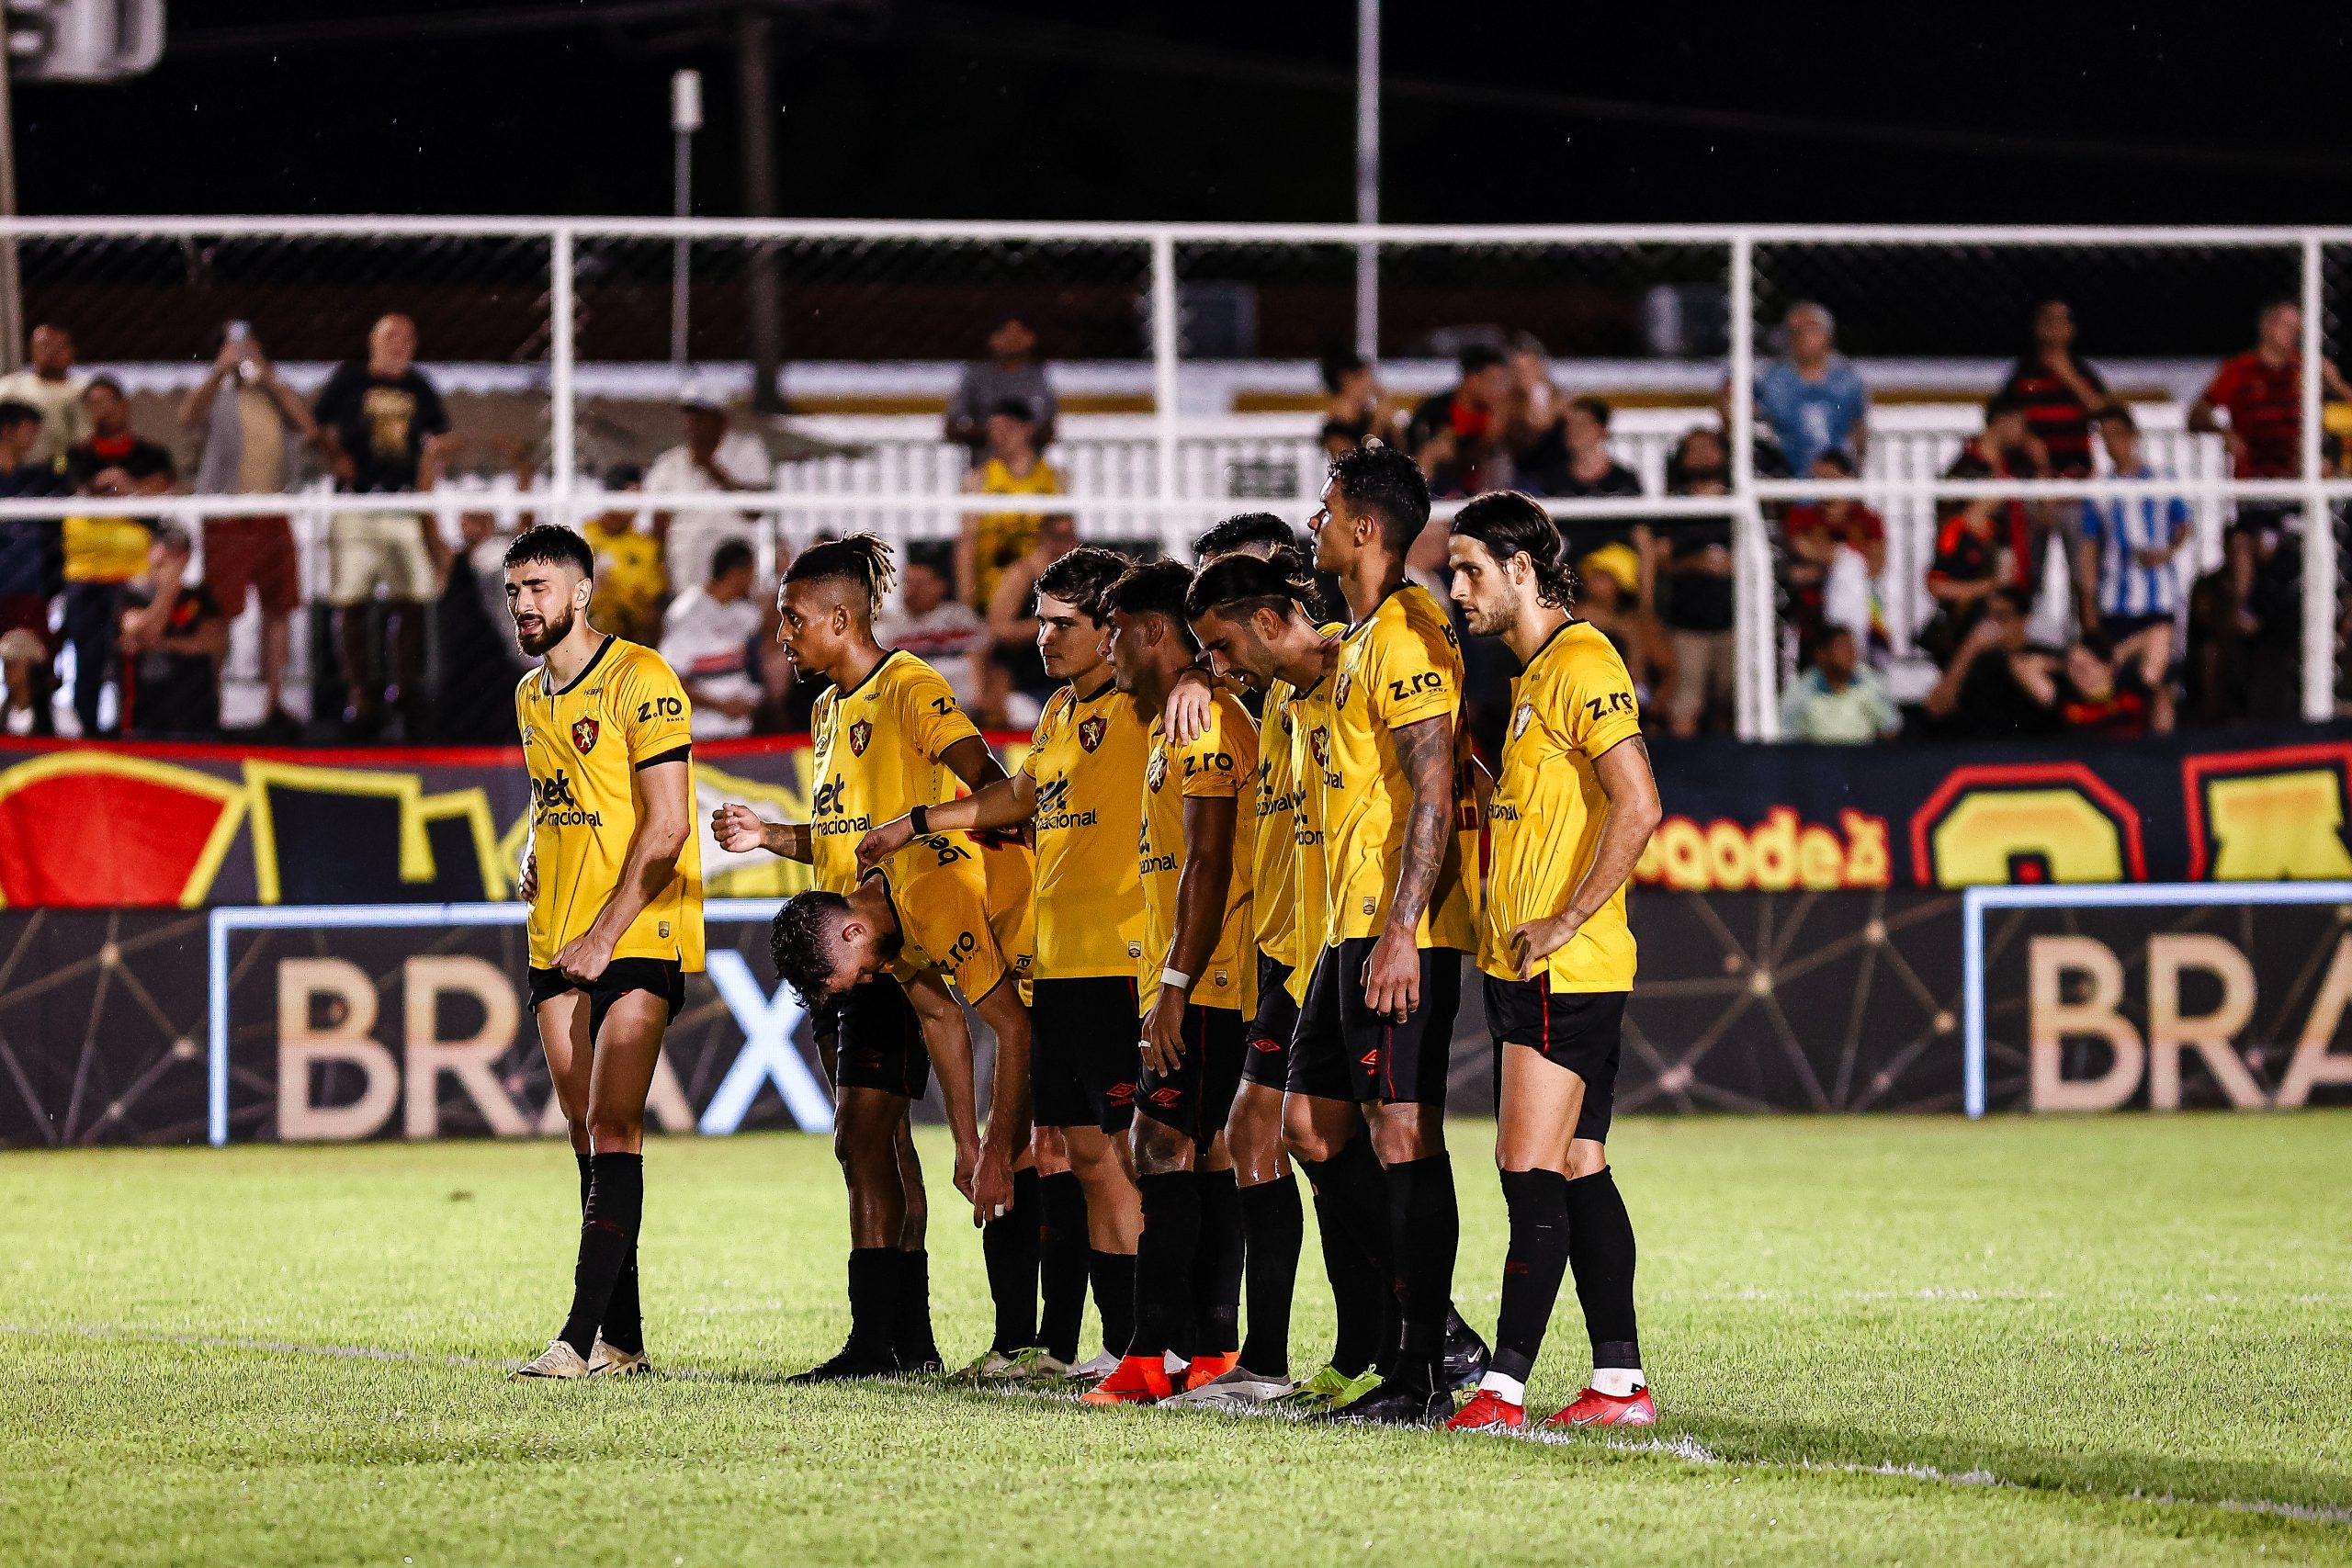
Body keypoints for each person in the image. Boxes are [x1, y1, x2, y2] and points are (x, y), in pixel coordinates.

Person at [1183, 443, 1486, 1427]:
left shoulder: (1407, 629)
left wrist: (1402, 927)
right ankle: (1425, 1331)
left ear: (1363, 526)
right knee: (1311, 1128)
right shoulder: (1359, 639)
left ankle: (1417, 1371)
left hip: (1391, 931)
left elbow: (1435, 785)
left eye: (1323, 511)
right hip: (1336, 939)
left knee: (1400, 1131)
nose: (1311, 527)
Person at [709, 534, 1018, 1380]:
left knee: (861, 1136)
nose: (782, 635)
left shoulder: (909, 685)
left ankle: (878, 1339)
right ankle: (903, 1338)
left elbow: (986, 778)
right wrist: (770, 835)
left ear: (841, 617)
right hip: (850, 936)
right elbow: (842, 842)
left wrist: (924, 842)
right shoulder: (826, 713)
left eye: (793, 618)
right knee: (876, 1150)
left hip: (891, 939)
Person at [857, 545, 1148, 1385]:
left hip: (1127, 960)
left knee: (1130, 1157)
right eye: (1043, 620)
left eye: (1064, 624)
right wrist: (919, 820)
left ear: (1112, 629)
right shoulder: (1060, 712)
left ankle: (1162, 1341)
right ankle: (1106, 1343)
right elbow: (1017, 797)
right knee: (1079, 1157)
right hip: (1060, 963)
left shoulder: (1153, 706)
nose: (1045, 637)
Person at [1441, 490, 1662, 1433]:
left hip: (1558, 970)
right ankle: (1620, 1386)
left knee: (1523, 1167)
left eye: (1469, 571)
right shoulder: (1535, 677)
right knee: (1576, 1164)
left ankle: (1502, 1391)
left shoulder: (1580, 659)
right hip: (1538, 963)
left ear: (1521, 570)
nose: (1456, 591)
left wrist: (1568, 918)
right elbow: (1549, 810)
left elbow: (1638, 803)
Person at [503, 525, 701, 1380]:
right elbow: (564, 801)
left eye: (539, 587)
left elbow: (667, 825)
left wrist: (603, 932)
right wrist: (534, 853)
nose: (523, 605)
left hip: (636, 931)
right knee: (587, 1137)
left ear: (582, 593)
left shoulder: (642, 677)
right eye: (513, 591)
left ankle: (578, 1340)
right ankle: (625, 1340)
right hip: (556, 935)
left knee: (617, 1123)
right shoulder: (528, 694)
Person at [1059, 559, 1256, 1407]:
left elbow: (1208, 861)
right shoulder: (1178, 713)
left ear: (1148, 632)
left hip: (1207, 974)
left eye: (1111, 632)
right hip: (1190, 971)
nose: (1105, 650)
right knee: (1202, 1149)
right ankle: (1209, 1348)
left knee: (1158, 1146)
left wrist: (1174, 979)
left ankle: (1151, 1355)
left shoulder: (1203, 717)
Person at [1158, 513, 1326, 1411]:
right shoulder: (1264, 692)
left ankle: (1414, 1343)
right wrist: (1197, 671)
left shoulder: (1327, 668)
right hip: (1280, 947)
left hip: (1330, 941)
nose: (1212, 654)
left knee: (1313, 1139)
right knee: (1267, 1138)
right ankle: (1265, 1356)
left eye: (1219, 636)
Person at [765, 823, 1035, 1374]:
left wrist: (994, 1148)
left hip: (1082, 958)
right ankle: (1026, 1347)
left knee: (1066, 1153)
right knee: (1043, 1156)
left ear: (848, 933)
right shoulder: (885, 901)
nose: (865, 984)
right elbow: (941, 1017)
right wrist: (968, 1144)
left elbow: (1013, 1029)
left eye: (852, 975)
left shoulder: (930, 902)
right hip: (1043, 968)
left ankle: (1076, 1346)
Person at [312, 312, 452, 739]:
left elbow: (438, 441)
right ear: (374, 340)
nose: (399, 343)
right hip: (358, 501)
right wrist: (336, 454)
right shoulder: (349, 380)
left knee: (412, 598)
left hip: (404, 503)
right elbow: (319, 425)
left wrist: (429, 490)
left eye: (407, 336)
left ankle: (403, 687)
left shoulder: (420, 388)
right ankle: (360, 691)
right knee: (350, 600)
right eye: (391, 335)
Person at [181, 324, 318, 738]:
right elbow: (187, 417)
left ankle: (274, 703)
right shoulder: (218, 396)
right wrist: (220, 370)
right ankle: (214, 703)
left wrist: (269, 377)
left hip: (274, 509)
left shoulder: (274, 394)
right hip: (228, 512)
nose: (242, 352)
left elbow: (308, 427)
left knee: (279, 607)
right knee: (220, 610)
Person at [62, 378, 175, 739]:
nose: (101, 410)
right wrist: (98, 489)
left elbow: (165, 487)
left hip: (135, 574)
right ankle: (89, 731)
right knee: (88, 658)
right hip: (87, 574)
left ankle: (136, 731)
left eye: (107, 401)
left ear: (124, 405)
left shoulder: (151, 453)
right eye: (93, 403)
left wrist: (131, 489)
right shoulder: (77, 454)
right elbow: (72, 489)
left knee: (135, 657)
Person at [2076, 406, 2188, 734]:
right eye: (2106, 437)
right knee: (2115, 684)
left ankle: (2161, 758)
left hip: (2160, 601)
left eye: (2118, 435)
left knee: (2161, 684)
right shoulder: (2099, 490)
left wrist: (2166, 551)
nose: (2113, 444)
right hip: (2117, 602)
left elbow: (2183, 524)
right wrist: (2089, 604)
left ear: (2132, 436)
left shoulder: (2162, 479)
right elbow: (2088, 548)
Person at [2188, 299, 2352, 494]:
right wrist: (2224, 433)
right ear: (2266, 326)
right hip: (2254, 475)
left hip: (2300, 473)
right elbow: (2197, 414)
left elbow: (2345, 400)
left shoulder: (2305, 367)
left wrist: (2335, 382)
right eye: (2286, 325)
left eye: (2296, 328)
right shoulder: (2240, 369)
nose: (2292, 333)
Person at [645, 387, 775, 591]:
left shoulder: (748, 449)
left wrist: (713, 470)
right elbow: (658, 526)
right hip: (686, 573)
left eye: (702, 417)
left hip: (735, 573)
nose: (694, 425)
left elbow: (756, 510)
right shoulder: (670, 463)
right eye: (690, 417)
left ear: (720, 419)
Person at [117, 524, 228, 739]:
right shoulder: (132, 594)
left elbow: (212, 643)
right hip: (145, 712)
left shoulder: (199, 596)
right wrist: (167, 592)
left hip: (194, 708)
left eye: (179, 551)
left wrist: (161, 643)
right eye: (164, 548)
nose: (170, 557)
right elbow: (140, 631)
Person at [1781, 449, 1887, 667]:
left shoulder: (1867, 520)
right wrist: (1847, 559)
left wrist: (1832, 564)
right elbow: (1802, 549)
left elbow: (1875, 566)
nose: (1824, 486)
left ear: (1848, 479)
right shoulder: (1802, 517)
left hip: (1861, 614)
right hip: (1813, 616)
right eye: (1818, 480)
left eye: (1831, 479)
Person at [957, 401, 1063, 614]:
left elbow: (1065, 536)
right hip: (994, 582)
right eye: (993, 430)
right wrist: (966, 599)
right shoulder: (979, 479)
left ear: (1028, 429)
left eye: (1007, 428)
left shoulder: (1055, 479)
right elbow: (967, 542)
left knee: (1033, 563)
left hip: (1043, 577)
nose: (999, 436)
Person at [0, 400, 67, 735]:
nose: (35, 436)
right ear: (8, 430)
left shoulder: (39, 479)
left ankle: (39, 733)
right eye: (29, 428)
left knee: (32, 667)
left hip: (28, 591)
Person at [1922, 588, 2062, 739]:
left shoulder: (2042, 655)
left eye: (2002, 616)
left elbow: (2049, 701)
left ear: (2023, 620)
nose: (1993, 625)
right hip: (1978, 749)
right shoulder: (1973, 660)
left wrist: (2016, 663)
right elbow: (1935, 709)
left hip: (2033, 751)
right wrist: (1969, 649)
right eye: (1989, 616)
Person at [659, 539, 763, 739]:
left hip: (741, 731)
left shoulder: (745, 613)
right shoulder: (685, 614)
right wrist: (720, 706)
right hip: (701, 734)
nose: (753, 579)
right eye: (751, 572)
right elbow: (671, 679)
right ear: (736, 573)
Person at [983, 512, 1080, 721]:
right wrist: (1051, 622)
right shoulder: (1021, 574)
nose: (1066, 545)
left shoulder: (1081, 576)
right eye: (1058, 537)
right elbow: (998, 630)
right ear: (1043, 537)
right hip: (1026, 685)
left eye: (1070, 537)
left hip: (1073, 683)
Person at [1752, 302, 1867, 479]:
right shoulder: (1771, 381)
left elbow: (1858, 427)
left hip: (1837, 478)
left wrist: (1855, 472)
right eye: (1795, 331)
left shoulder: (1847, 380)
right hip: (1788, 477)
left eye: (1810, 329)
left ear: (1828, 336)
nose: (1802, 336)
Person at [1997, 301, 2109, 479]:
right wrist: (2026, 440)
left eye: (2059, 320)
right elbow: (1999, 417)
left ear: (2071, 329)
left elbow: (2105, 412)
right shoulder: (2024, 372)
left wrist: (2065, 374)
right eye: (2046, 319)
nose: (2052, 326)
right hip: (2030, 470)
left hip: (2076, 469)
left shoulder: (2082, 372)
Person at [874, 552, 989, 715]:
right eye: (908, 583)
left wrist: (980, 699)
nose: (911, 591)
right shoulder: (888, 629)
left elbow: (981, 655)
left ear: (940, 586)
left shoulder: (961, 618)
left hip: (965, 708)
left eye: (919, 584)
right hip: (910, 709)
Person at [1408, 345, 1514, 499]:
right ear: (1472, 380)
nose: (1499, 389)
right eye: (1494, 381)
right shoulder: (1438, 409)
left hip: (1487, 488)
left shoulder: (1504, 410)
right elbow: (1452, 456)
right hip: (1444, 487)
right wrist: (1489, 439)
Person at [580, 465, 668, 649]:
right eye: (630, 498)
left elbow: (653, 604)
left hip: (630, 635)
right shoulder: (582, 534)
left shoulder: (646, 547)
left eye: (639, 499)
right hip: (585, 627)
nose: (635, 508)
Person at [946, 314, 1057, 454]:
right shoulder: (976, 375)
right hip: (986, 468)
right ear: (992, 339)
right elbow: (951, 427)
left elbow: (1049, 430)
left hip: (1029, 471)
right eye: (1004, 332)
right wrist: (994, 433)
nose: (1012, 338)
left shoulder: (1038, 374)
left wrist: (1021, 434)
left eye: (1018, 332)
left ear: (1030, 338)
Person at [1777, 626, 1901, 743]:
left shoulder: (1871, 683)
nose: (1850, 652)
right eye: (1842, 647)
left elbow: (1891, 728)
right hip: (1817, 762)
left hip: (1863, 762)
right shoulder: (1801, 691)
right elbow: (1787, 737)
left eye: (1852, 646)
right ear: (1821, 654)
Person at [0, 324, 89, 466]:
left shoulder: (84, 391)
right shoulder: (8, 388)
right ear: (31, 350)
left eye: (59, 346)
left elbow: (84, 440)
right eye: (44, 346)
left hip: (60, 466)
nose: (51, 352)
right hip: (10, 471)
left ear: (71, 351)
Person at [1318, 350, 1386, 459]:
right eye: (1361, 378)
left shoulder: (1370, 417)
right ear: (1345, 379)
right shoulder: (1335, 430)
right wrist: (1378, 423)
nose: (1369, 384)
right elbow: (1354, 467)